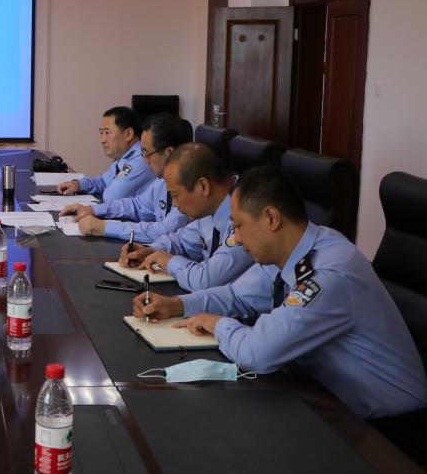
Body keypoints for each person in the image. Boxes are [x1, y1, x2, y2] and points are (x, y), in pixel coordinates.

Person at [132, 166, 427, 429]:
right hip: (324, 395)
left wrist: (218, 324)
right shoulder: (294, 249)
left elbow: (257, 353)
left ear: (271, 218)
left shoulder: (329, 273)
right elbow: (237, 295)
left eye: (240, 226)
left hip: (388, 431)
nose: (237, 238)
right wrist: (177, 304)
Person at [121, 142, 253, 291]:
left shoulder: (245, 217)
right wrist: (150, 250)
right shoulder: (211, 209)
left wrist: (168, 261)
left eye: (175, 195)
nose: (174, 204)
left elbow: (206, 281)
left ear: (203, 186)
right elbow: (182, 240)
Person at [60, 113, 190, 242]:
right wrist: (92, 210)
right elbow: (137, 205)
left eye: (147, 153)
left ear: (169, 153)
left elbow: (164, 231)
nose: (144, 160)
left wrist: (103, 227)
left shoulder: (189, 187)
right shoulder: (160, 182)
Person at [56, 106, 155, 203]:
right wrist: (78, 185)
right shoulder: (124, 157)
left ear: (128, 134)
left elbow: (111, 196)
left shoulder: (141, 160)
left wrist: (104, 187)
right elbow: (104, 181)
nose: (102, 140)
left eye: (107, 133)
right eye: (101, 133)